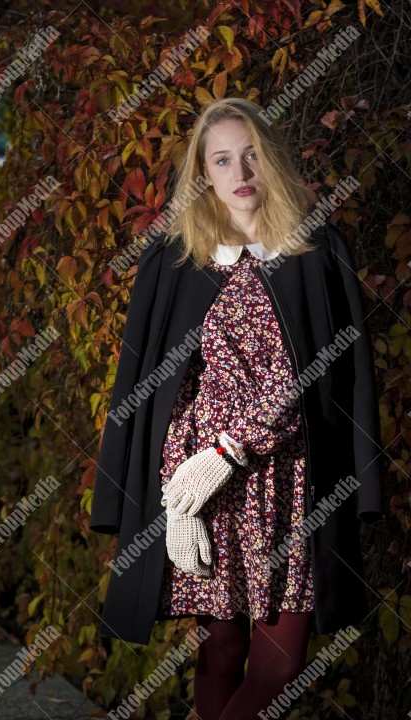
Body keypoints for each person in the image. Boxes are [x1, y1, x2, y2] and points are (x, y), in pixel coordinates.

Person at [89, 98, 384, 720]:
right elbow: (148, 391)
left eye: (251, 153)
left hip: (294, 483)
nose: (239, 169)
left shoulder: (316, 251)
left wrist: (230, 452)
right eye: (221, 160)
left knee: (280, 662)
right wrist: (177, 494)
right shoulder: (172, 261)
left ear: (271, 159)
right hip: (202, 492)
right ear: (204, 174)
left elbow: (330, 381)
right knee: (220, 651)